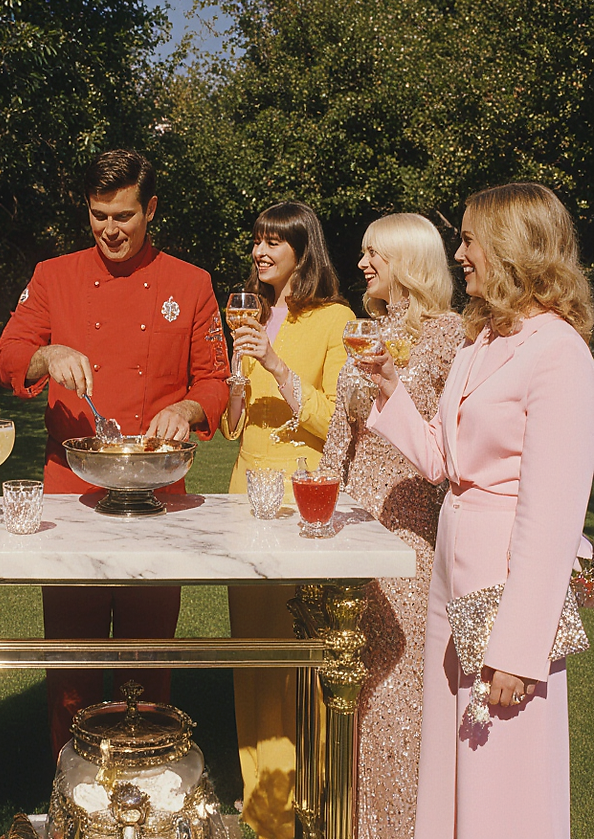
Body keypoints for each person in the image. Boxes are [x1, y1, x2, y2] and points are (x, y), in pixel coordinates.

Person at [359, 183, 594, 839]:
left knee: (503, 772)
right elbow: (440, 460)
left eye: (468, 238)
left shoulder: (560, 353)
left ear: (513, 247)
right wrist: (388, 387)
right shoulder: (479, 340)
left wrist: (519, 649)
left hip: (507, 581)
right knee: (452, 760)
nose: (458, 253)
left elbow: (552, 518)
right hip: (449, 573)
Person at [0, 148, 230, 756]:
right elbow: (9, 357)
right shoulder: (54, 275)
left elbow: (215, 382)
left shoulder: (192, 282)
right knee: (69, 660)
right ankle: (70, 784)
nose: (110, 229)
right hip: (70, 489)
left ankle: (148, 779)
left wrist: (186, 409)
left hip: (158, 495)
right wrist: (47, 356)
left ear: (151, 209)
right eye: (99, 215)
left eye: (123, 215)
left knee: (148, 657)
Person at [320, 213, 463, 839]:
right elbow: (337, 438)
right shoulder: (365, 330)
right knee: (348, 688)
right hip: (351, 523)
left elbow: (447, 449)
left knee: (403, 700)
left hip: (410, 531)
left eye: (372, 252)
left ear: (406, 259)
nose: (361, 265)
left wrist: (390, 380)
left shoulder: (450, 336)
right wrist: (318, 501)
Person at [220, 201, 353, 839]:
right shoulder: (254, 314)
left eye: (275, 242)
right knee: (252, 659)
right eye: (257, 240)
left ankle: (314, 806)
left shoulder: (337, 319)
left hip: (305, 500)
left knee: (301, 656)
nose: (260, 252)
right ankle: (264, 815)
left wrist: (272, 363)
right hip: (246, 493)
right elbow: (231, 427)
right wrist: (238, 385)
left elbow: (338, 423)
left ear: (305, 250)